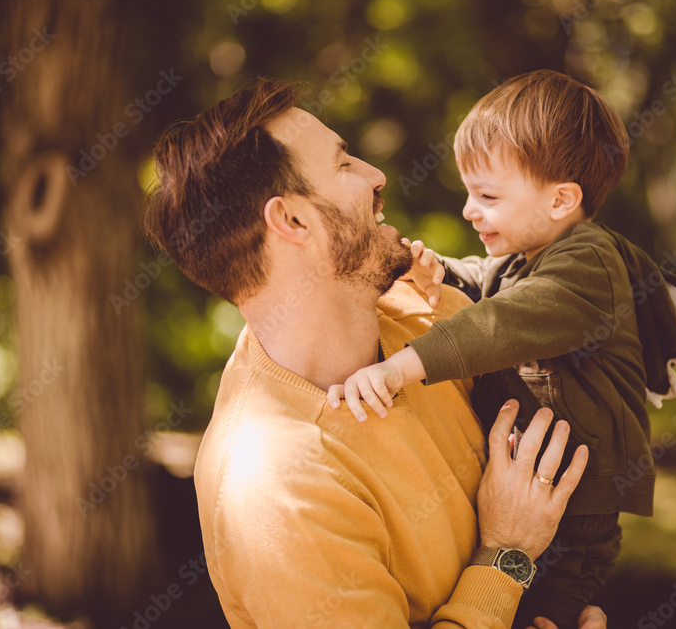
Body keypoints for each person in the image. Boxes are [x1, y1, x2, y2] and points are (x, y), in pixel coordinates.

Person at [142, 78, 607, 628]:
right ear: (293, 221)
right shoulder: (274, 487)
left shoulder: (432, 313)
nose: (376, 175)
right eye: (344, 165)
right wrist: (507, 554)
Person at [328, 70, 676, 629]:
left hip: (573, 510)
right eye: (470, 192)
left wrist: (402, 368)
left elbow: (502, 321)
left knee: (540, 617)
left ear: (562, 199)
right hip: (535, 492)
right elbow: (485, 283)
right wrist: (438, 273)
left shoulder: (589, 265)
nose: (469, 209)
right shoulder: (526, 258)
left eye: (488, 196)